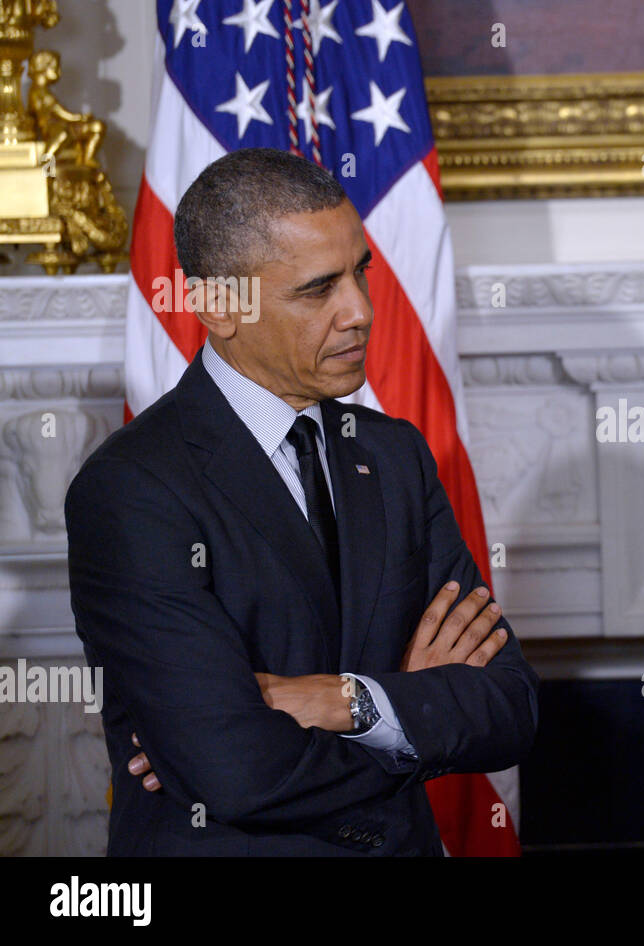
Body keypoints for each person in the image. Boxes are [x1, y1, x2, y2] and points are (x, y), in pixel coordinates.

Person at [65, 148, 538, 855]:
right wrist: (407, 712)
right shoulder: (133, 490)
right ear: (220, 307)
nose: (362, 312)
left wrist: (345, 700)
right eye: (319, 289)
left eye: (362, 272)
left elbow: (510, 706)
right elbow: (237, 772)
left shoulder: (394, 454)